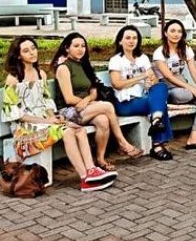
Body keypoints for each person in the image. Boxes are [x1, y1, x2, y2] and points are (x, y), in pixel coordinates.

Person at [2, 36, 116, 192]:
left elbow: (46, 101)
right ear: (17, 55)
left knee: (78, 128)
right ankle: (84, 179)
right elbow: (16, 114)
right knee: (68, 132)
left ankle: (91, 171)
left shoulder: (40, 73)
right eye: (26, 51)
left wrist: (53, 116)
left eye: (33, 48)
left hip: (44, 122)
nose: (32, 53)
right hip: (24, 128)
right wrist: (48, 122)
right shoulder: (13, 79)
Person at [51, 32, 144, 171]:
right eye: (76, 46)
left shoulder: (85, 65)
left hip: (86, 108)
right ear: (66, 48)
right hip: (68, 111)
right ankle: (123, 143)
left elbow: (94, 92)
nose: (80, 49)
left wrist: (88, 100)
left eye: (83, 46)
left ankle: (100, 159)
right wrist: (87, 102)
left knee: (103, 121)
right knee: (107, 106)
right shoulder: (63, 68)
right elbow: (69, 98)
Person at [108, 25, 174, 161]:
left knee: (161, 87)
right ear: (120, 41)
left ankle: (156, 120)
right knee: (160, 106)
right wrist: (140, 77)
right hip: (125, 103)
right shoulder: (116, 60)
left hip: (144, 98)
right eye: (127, 38)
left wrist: (151, 81)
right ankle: (157, 144)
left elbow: (153, 78)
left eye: (134, 38)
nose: (131, 41)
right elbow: (117, 84)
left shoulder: (142, 58)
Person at [153, 19, 196, 150]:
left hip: (183, 85)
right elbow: (168, 76)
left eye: (179, 31)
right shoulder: (159, 53)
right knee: (181, 95)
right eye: (172, 31)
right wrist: (192, 89)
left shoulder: (185, 49)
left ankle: (193, 139)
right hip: (167, 87)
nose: (176, 34)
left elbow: (194, 70)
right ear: (165, 33)